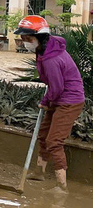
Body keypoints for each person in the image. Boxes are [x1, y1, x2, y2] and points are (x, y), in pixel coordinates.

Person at [15, 16, 85, 192]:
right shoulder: (45, 50)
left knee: (54, 141)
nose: (25, 43)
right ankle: (39, 172)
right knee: (44, 133)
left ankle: (62, 186)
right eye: (23, 39)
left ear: (40, 37)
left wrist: (45, 101)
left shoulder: (51, 58)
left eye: (28, 39)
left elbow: (57, 87)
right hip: (58, 97)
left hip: (69, 101)